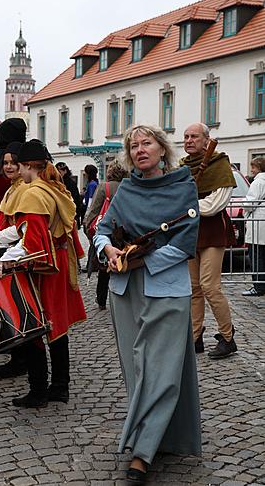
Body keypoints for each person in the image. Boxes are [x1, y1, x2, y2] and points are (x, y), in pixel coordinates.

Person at [94, 125, 201, 483]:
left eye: (147, 143)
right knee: (138, 370)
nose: (140, 149)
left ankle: (141, 452)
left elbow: (186, 241)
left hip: (167, 288)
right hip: (126, 291)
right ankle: (160, 438)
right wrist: (108, 249)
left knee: (162, 369)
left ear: (161, 148)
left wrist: (143, 260)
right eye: (133, 145)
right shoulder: (126, 189)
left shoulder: (183, 186)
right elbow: (102, 228)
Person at [0, 139, 86, 408]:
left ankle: (37, 391)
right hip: (57, 260)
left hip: (44, 266)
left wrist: (6, 258)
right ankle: (59, 387)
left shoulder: (33, 192)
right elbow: (33, 229)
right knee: (56, 325)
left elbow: (32, 241)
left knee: (35, 325)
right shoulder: (50, 187)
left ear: (26, 166)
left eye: (18, 165)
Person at [180, 122, 237, 359]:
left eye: (194, 136)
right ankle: (195, 337)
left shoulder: (219, 164)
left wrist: (185, 206)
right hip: (190, 233)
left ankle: (227, 337)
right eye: (186, 137)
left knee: (210, 287)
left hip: (213, 231)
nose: (189, 140)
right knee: (193, 289)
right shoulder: (182, 167)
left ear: (206, 140)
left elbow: (215, 204)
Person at [0, 141, 29, 378]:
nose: (9, 166)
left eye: (13, 162)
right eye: (6, 163)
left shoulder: (23, 189)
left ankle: (22, 361)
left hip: (17, 253)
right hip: (7, 249)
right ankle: (17, 357)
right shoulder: (12, 187)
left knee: (19, 306)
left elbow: (22, 227)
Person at [83, 159, 129, 310]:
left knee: (104, 268)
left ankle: (102, 300)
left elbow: (94, 210)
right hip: (124, 233)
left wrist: (89, 231)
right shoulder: (128, 186)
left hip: (106, 232)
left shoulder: (104, 187)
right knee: (125, 263)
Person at [242, 157, 265, 296]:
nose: (252, 170)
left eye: (254, 167)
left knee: (256, 257)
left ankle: (258, 286)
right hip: (262, 224)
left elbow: (250, 203)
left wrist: (244, 204)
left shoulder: (258, 182)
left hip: (258, 224)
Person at [56, 162, 82, 229]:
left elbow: (76, 200)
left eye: (59, 171)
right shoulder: (58, 182)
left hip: (70, 214)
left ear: (65, 171)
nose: (58, 173)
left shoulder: (69, 183)